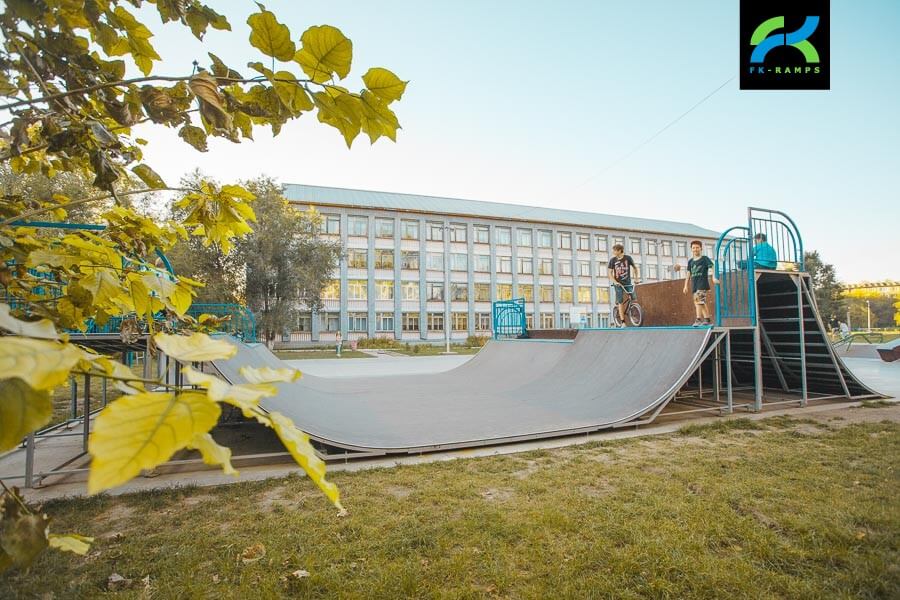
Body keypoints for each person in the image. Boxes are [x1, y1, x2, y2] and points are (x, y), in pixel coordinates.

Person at [683, 240, 720, 327]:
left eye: (697, 248)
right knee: (700, 302)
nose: (695, 249)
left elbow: (712, 266)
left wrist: (713, 277)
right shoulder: (690, 261)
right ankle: (707, 319)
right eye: (693, 248)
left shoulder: (704, 259)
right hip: (694, 285)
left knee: (699, 300)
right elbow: (688, 274)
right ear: (691, 249)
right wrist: (685, 286)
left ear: (701, 248)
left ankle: (698, 319)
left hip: (702, 284)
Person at [607, 243, 639, 327]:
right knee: (620, 302)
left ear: (619, 251)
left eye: (614, 250)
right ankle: (623, 322)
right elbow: (609, 273)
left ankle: (633, 310)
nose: (613, 252)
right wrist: (615, 282)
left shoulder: (628, 258)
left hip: (627, 283)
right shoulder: (613, 260)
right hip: (618, 284)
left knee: (634, 298)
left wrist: (636, 278)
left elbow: (635, 268)